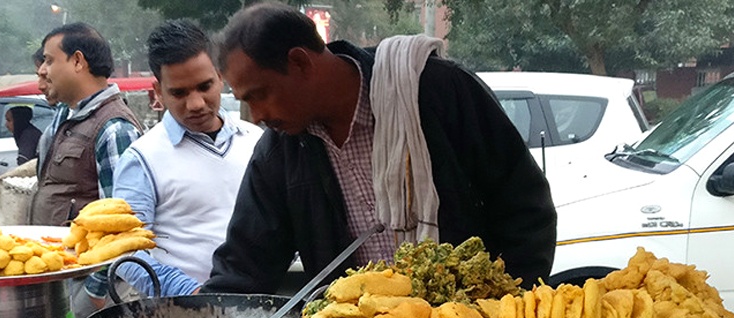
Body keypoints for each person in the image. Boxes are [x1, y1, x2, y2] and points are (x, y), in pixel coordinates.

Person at [201, 2, 557, 295]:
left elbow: (525, 208)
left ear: (300, 62)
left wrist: (504, 306)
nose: (258, 116)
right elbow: (245, 265)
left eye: (260, 95)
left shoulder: (435, 93)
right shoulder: (279, 154)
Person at [111, 19, 263, 298]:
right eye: (179, 93)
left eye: (204, 87)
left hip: (265, 306)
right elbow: (126, 253)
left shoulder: (257, 141)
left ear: (220, 77)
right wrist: (192, 294)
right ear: (158, 92)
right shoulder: (142, 158)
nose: (195, 104)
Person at [29, 22, 142, 227]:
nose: (43, 70)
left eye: (49, 61)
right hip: (53, 255)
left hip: (82, 259)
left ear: (78, 61)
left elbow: (120, 224)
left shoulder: (114, 129)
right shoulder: (64, 115)